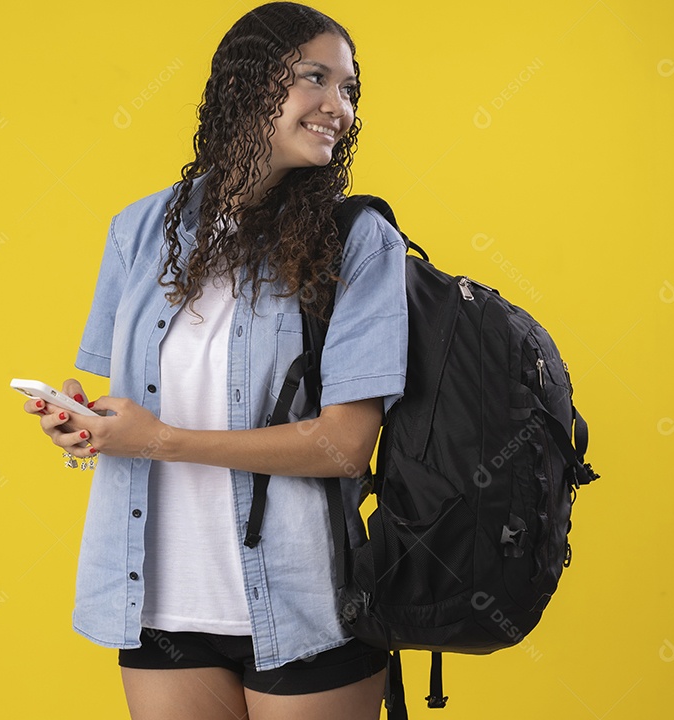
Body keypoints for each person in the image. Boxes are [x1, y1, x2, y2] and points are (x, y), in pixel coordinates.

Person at [22, 3, 408, 718]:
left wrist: (157, 440)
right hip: (159, 598)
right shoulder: (140, 229)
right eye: (315, 79)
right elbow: (133, 406)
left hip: (304, 608)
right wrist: (88, 426)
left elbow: (346, 446)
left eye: (349, 88)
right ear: (249, 84)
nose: (338, 107)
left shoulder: (359, 242)